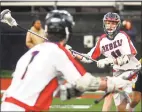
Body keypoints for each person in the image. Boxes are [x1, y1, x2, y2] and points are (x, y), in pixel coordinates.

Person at [1, 10, 132, 111]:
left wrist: (70, 91)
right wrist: (114, 83)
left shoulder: (32, 52)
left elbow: (46, 89)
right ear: (67, 31)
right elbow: (86, 83)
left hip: (6, 106)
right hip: (25, 108)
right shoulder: (58, 52)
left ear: (46, 30)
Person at [74, 12, 141, 111]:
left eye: (113, 23)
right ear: (104, 24)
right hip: (118, 73)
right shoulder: (102, 40)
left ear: (118, 24)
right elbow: (88, 57)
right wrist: (73, 54)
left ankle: (130, 108)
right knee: (121, 109)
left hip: (133, 71)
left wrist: (108, 60)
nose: (110, 25)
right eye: (108, 22)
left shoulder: (122, 36)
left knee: (134, 99)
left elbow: (126, 58)